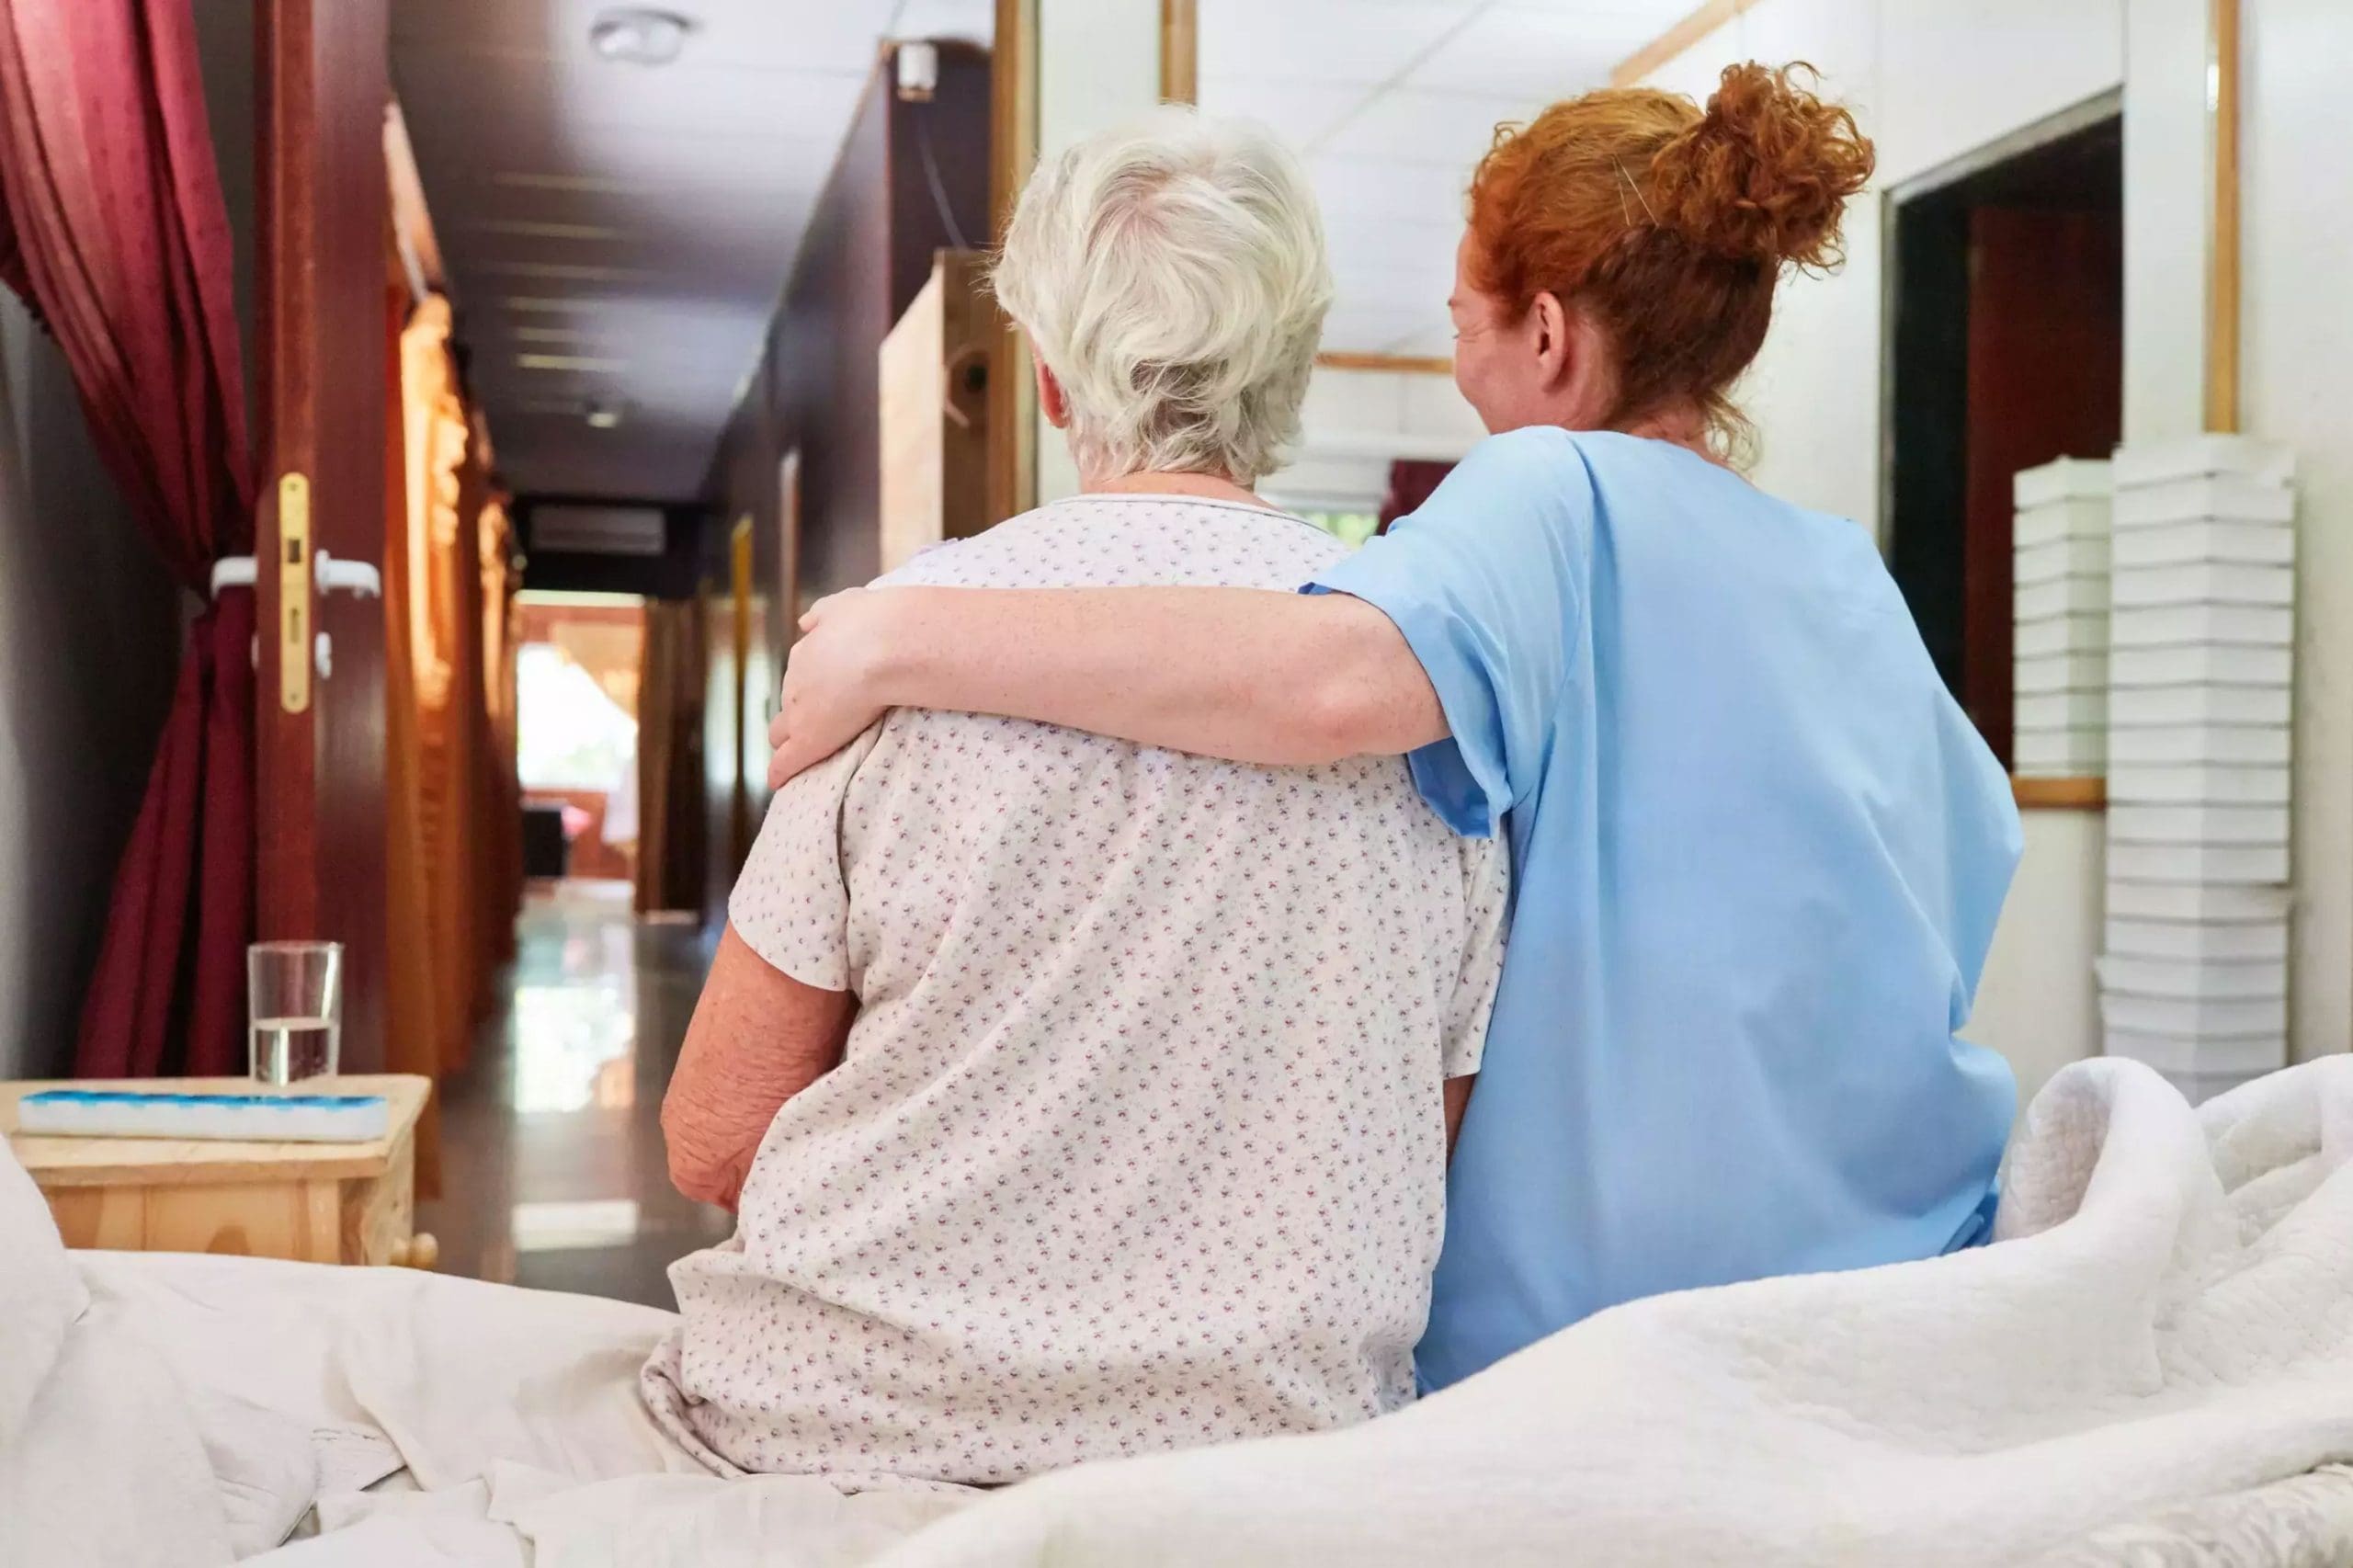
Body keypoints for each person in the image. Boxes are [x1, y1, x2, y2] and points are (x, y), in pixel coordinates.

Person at [762, 63, 2022, 1392]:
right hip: (1897, 1270)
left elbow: (1324, 683)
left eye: (1459, 316)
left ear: (1546, 336)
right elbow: (1961, 862)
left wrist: (903, 638)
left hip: (1615, 1337)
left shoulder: (1553, 486)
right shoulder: (1840, 568)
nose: (1455, 358)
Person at [642, 108, 1508, 1488]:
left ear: (1046, 379)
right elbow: (1422, 1140)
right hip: (1264, 1472)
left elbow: (714, 1135)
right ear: (1293, 370)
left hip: (851, 1438)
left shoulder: (890, 658)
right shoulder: (1429, 704)